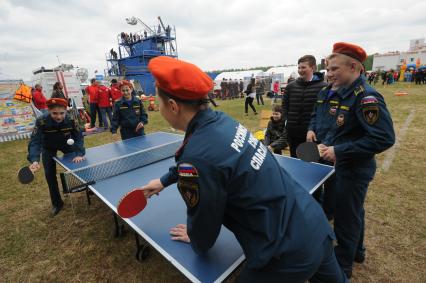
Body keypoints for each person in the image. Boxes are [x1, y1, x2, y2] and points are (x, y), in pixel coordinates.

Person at [140, 56, 347, 283]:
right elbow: (213, 162)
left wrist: (196, 238)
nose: (159, 110)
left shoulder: (198, 154)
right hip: (312, 222)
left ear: (173, 106)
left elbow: (205, 220)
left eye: (159, 104)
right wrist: (164, 180)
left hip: (284, 252)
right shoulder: (221, 120)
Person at [318, 42, 395, 278]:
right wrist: (328, 144)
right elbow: (343, 127)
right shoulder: (343, 93)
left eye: (334, 69)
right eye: (328, 70)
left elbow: (383, 138)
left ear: (353, 67)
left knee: (345, 219)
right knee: (354, 213)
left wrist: (339, 150)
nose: (329, 74)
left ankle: (343, 267)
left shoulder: (366, 97)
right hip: (343, 167)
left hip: (353, 170)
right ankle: (357, 251)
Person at [27, 98, 85, 216]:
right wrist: (34, 160)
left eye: (61, 113)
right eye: (54, 113)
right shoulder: (41, 121)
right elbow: (35, 141)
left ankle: (87, 188)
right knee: (49, 174)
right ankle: (57, 203)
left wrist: (79, 154)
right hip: (48, 146)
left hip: (66, 144)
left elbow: (78, 137)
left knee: (78, 165)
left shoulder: (72, 120)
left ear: (66, 110)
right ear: (48, 111)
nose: (58, 116)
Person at [282, 55, 327, 158]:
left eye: (303, 67)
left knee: (309, 160)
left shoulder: (323, 87)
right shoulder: (291, 86)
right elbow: (285, 106)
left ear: (313, 68)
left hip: (311, 134)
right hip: (293, 132)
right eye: (299, 67)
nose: (300, 70)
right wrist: (286, 122)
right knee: (295, 159)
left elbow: (324, 110)